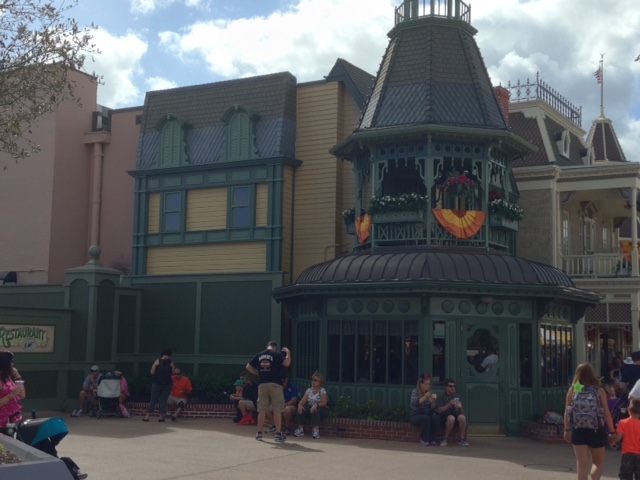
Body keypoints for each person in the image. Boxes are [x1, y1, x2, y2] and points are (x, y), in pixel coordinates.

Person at [563, 363, 615, 480]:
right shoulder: (599, 390)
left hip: (578, 430)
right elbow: (607, 413)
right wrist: (612, 431)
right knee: (598, 463)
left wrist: (566, 429)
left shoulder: (574, 389)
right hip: (596, 430)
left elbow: (567, 411)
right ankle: (594, 477)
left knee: (581, 464)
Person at [246, 341, 291, 442]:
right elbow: (287, 363)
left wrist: (258, 373)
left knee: (262, 410)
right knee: (277, 410)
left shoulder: (259, 355)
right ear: (275, 347)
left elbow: (248, 366)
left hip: (262, 384)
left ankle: (259, 433)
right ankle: (278, 434)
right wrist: (288, 353)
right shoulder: (277, 355)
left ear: (267, 346)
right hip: (275, 384)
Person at [609, 398, 640, 480]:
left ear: (629, 410)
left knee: (625, 476)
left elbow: (618, 438)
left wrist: (612, 439)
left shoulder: (623, 422)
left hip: (627, 454)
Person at [142, 347, 176, 422]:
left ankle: (147, 417)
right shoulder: (171, 362)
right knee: (163, 400)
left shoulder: (157, 361)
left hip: (157, 383)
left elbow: (152, 372)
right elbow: (173, 373)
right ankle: (161, 417)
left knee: (153, 399)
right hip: (167, 384)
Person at [293, 371, 329, 439]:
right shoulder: (309, 390)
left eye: (315, 380)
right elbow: (302, 402)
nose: (313, 382)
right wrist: (300, 405)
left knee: (315, 409)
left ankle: (316, 430)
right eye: (312, 380)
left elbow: (324, 403)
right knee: (301, 409)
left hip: (321, 408)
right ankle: (300, 429)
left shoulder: (322, 390)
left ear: (320, 382)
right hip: (310, 406)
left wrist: (316, 405)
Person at [435, 377, 469, 446]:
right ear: (446, 387)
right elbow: (439, 410)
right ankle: (445, 438)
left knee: (462, 417)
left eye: (454, 386)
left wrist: (460, 408)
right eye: (450, 386)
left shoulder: (457, 396)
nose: (452, 388)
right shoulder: (441, 396)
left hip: (455, 414)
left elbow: (461, 412)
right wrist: (449, 404)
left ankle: (462, 439)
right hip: (445, 416)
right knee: (451, 418)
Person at [409, 373, 440, 446]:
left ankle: (432, 439)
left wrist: (433, 401)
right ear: (421, 384)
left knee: (436, 418)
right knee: (426, 418)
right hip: (416, 414)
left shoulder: (430, 392)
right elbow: (414, 404)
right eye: (426, 384)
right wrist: (425, 397)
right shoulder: (415, 392)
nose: (428, 386)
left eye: (429, 384)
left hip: (427, 413)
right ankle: (424, 439)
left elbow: (432, 407)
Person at [0, 351, 26, 434]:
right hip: (2, 421)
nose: (12, 364)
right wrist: (11, 395)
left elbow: (22, 395)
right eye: (11, 362)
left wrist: (18, 377)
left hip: (13, 418)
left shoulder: (7, 377)